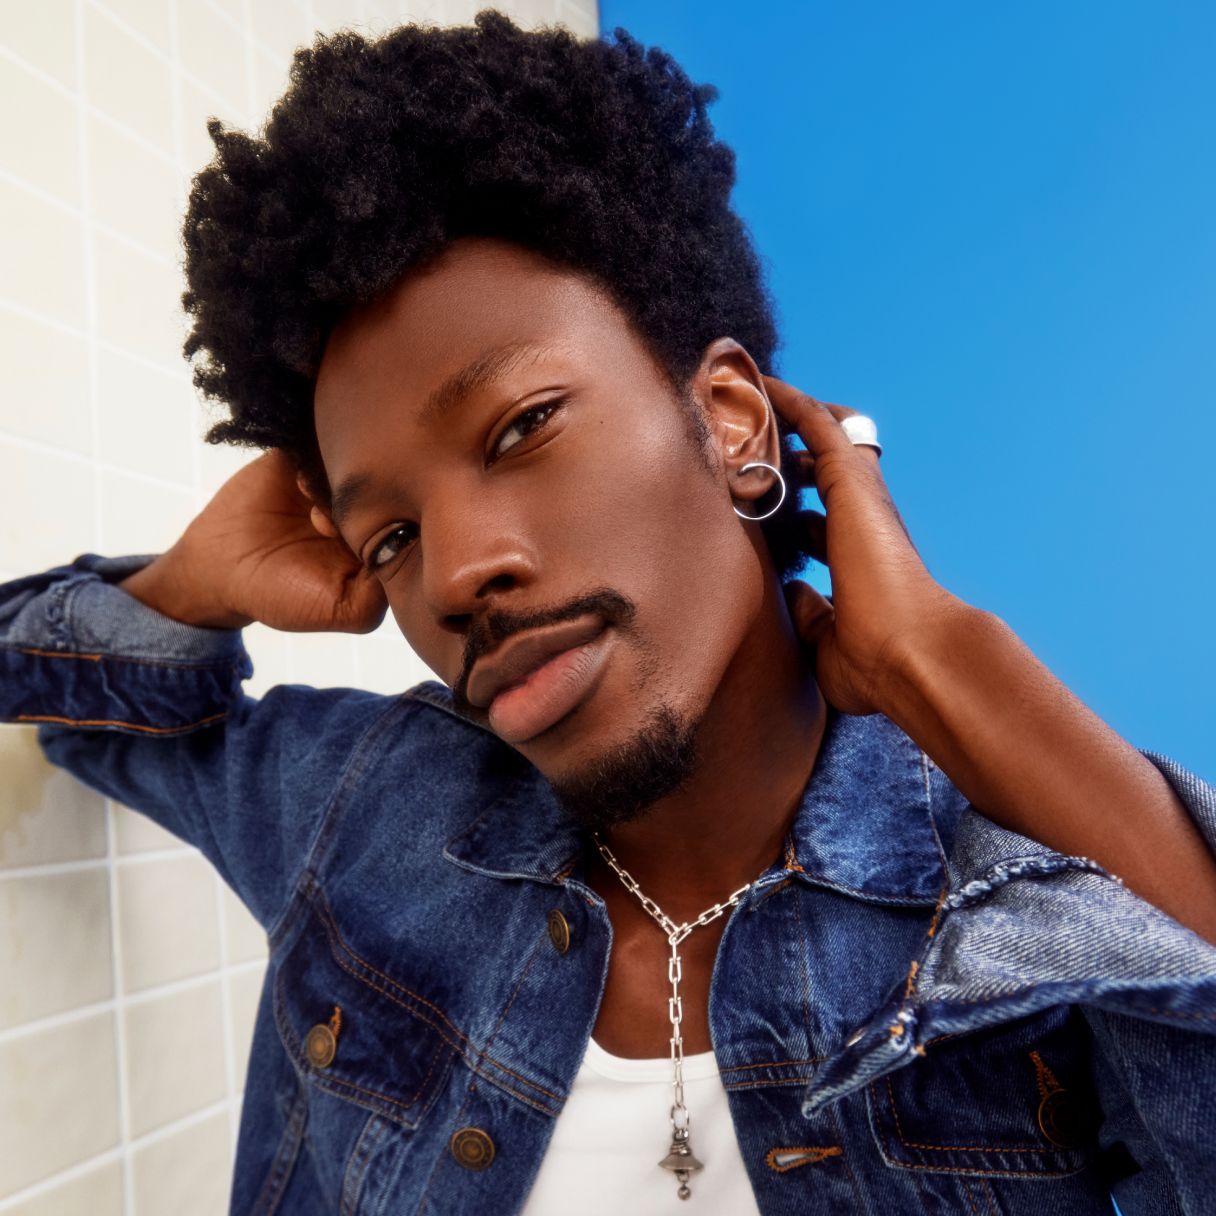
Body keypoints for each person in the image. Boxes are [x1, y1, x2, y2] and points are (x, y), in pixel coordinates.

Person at [2, 11, 1214, 1215]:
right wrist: (188, 586)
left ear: (734, 425)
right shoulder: (364, 810)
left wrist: (949, 659)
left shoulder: (1017, 906)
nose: (458, 573)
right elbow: (62, 698)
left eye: (523, 427)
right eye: (393, 536)